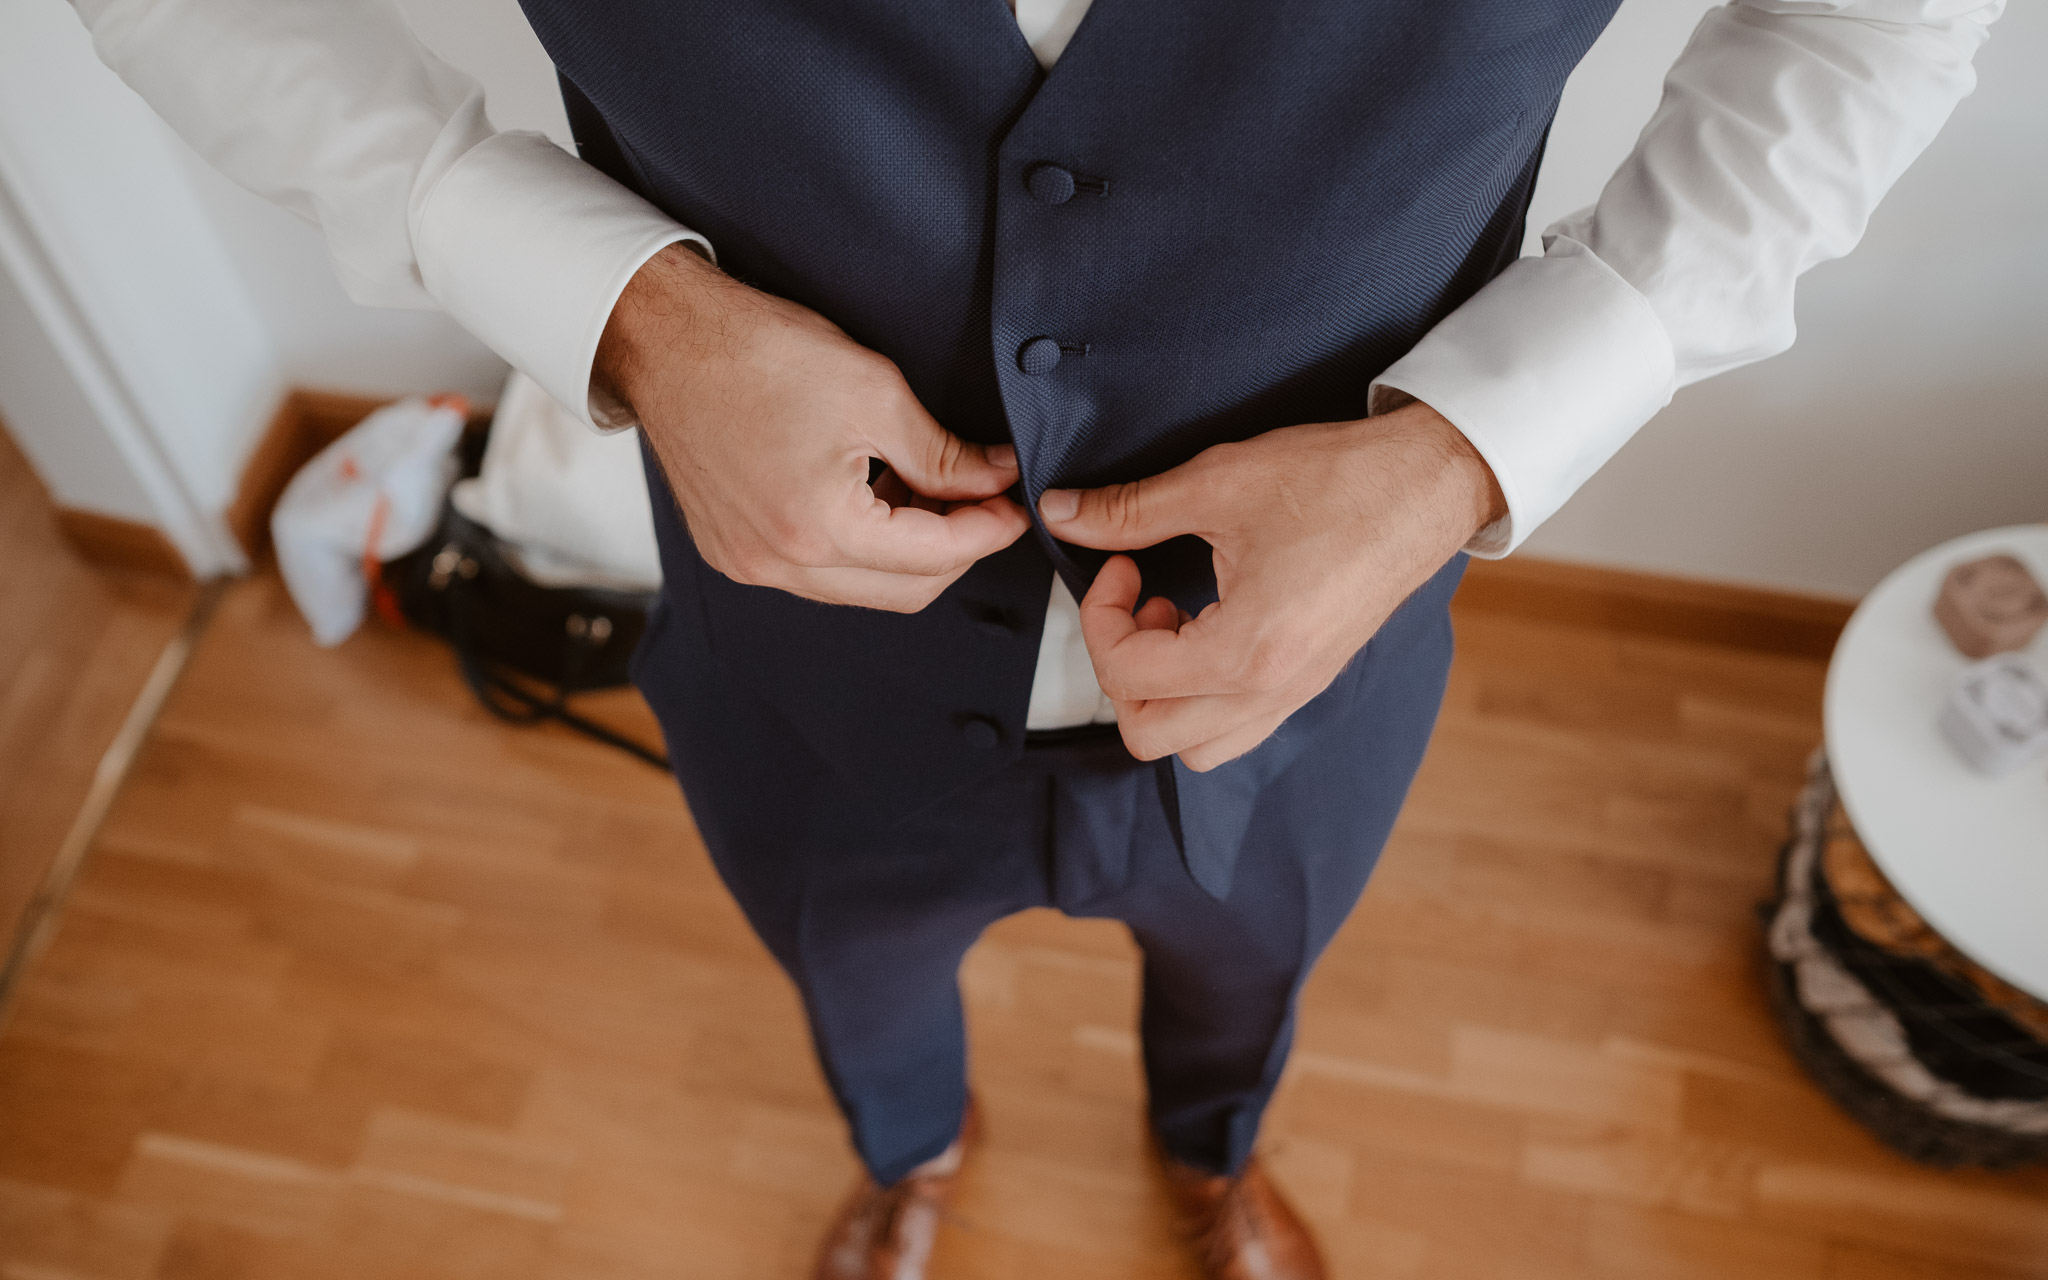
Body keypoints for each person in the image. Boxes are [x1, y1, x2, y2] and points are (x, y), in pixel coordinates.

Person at [72, 0, 2000, 1275]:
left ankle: (1213, 1154)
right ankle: (906, 1155)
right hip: (801, 661)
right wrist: (605, 301)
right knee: (856, 976)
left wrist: (1475, 447)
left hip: (1319, 660)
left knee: (1258, 968)